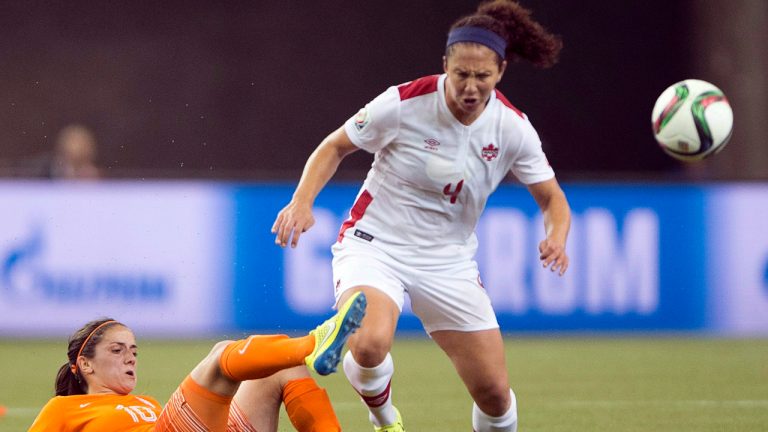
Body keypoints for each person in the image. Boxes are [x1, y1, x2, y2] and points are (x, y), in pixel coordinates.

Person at [271, 1, 570, 431]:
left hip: (448, 262)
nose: (470, 87)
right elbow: (335, 145)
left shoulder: (513, 128)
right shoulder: (403, 103)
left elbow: (552, 200)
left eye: (482, 76)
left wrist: (556, 236)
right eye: (461, 74)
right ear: (445, 63)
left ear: (501, 71)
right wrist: (302, 201)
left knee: (494, 393)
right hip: (375, 244)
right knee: (370, 343)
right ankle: (385, 420)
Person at [28, 292, 367, 432]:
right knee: (221, 354)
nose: (130, 356)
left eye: (133, 350)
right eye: (117, 350)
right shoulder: (64, 409)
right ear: (85, 365)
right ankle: (315, 341)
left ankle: (308, 348)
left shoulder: (143, 403)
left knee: (280, 366)